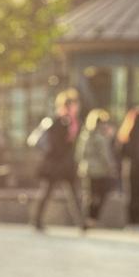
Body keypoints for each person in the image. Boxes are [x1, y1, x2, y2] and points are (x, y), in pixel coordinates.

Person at [31, 88, 86, 232]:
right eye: (74, 104)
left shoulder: (75, 123)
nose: (76, 107)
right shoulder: (58, 122)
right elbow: (56, 144)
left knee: (74, 194)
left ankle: (82, 222)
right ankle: (36, 220)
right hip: (55, 165)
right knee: (47, 192)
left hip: (67, 165)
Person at [77, 108, 118, 227]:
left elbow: (79, 154)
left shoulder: (84, 135)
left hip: (86, 169)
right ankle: (91, 219)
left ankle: (87, 219)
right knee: (99, 195)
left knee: (89, 195)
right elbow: (105, 155)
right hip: (100, 170)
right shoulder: (100, 137)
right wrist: (111, 167)